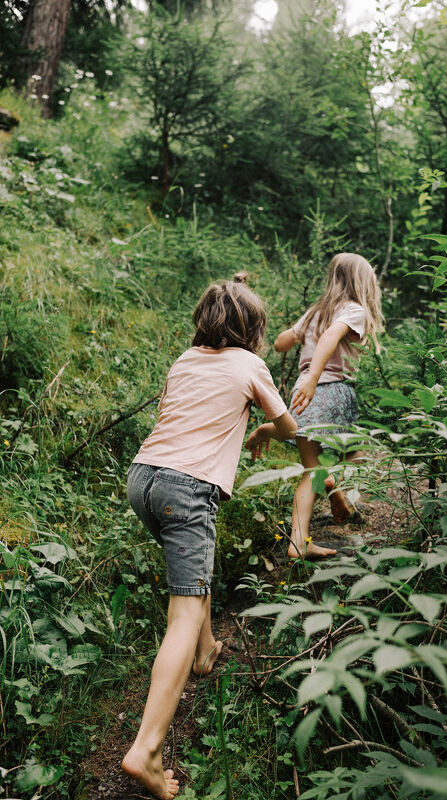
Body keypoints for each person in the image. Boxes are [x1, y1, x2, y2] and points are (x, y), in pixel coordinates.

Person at [122, 278, 296, 799]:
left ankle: (205, 652)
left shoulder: (184, 360)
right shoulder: (251, 366)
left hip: (144, 479)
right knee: (184, 612)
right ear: (254, 329)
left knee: (191, 577)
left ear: (203, 320)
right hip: (187, 488)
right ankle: (146, 750)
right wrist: (263, 429)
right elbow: (288, 427)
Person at [274, 253, 384, 559]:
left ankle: (298, 541)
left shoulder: (315, 311)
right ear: (363, 283)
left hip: (302, 393)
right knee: (357, 451)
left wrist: (297, 339)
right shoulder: (354, 310)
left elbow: (281, 343)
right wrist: (314, 377)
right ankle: (337, 486)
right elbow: (331, 337)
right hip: (331, 389)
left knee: (310, 471)